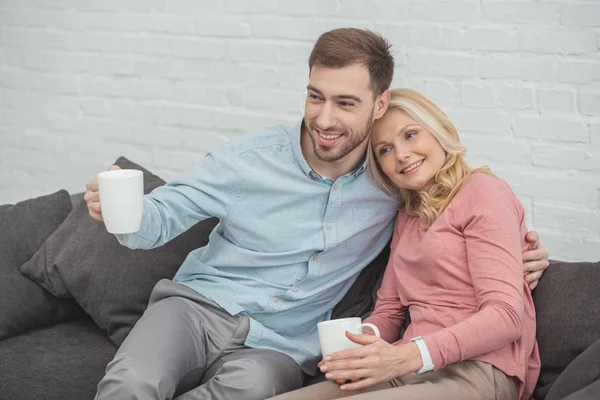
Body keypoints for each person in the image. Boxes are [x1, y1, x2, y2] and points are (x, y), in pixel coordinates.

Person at [84, 29, 549, 400]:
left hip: (279, 346)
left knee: (254, 390)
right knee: (132, 384)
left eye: (346, 103)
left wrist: (520, 254)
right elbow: (160, 218)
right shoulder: (252, 159)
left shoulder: (391, 185)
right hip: (197, 309)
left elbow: (465, 218)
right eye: (315, 97)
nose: (325, 119)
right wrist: (125, 213)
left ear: (378, 104)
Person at [269, 88, 541, 400]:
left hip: (480, 369)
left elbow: (506, 316)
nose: (401, 154)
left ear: (439, 131)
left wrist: (405, 357)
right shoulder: (407, 215)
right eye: (385, 150)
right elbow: (388, 310)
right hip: (410, 368)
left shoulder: (483, 192)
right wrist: (361, 345)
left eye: (410, 135)